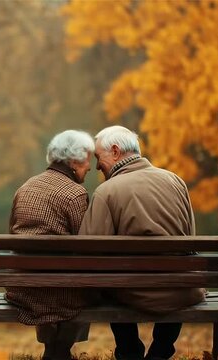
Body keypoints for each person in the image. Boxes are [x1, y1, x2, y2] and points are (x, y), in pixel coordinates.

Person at [79, 125, 205, 360]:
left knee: (107, 284)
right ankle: (162, 348)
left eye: (98, 157)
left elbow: (89, 252)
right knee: (176, 280)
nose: (97, 166)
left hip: (133, 292)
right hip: (182, 289)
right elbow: (191, 240)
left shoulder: (106, 192)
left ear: (115, 152)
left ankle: (129, 350)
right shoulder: (176, 181)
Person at [5, 129, 95, 360]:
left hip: (23, 290)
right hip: (62, 295)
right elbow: (84, 246)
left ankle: (52, 350)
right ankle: (62, 349)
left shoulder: (24, 188)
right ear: (74, 161)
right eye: (87, 159)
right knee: (88, 284)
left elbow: (11, 235)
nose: (90, 166)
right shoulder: (75, 194)